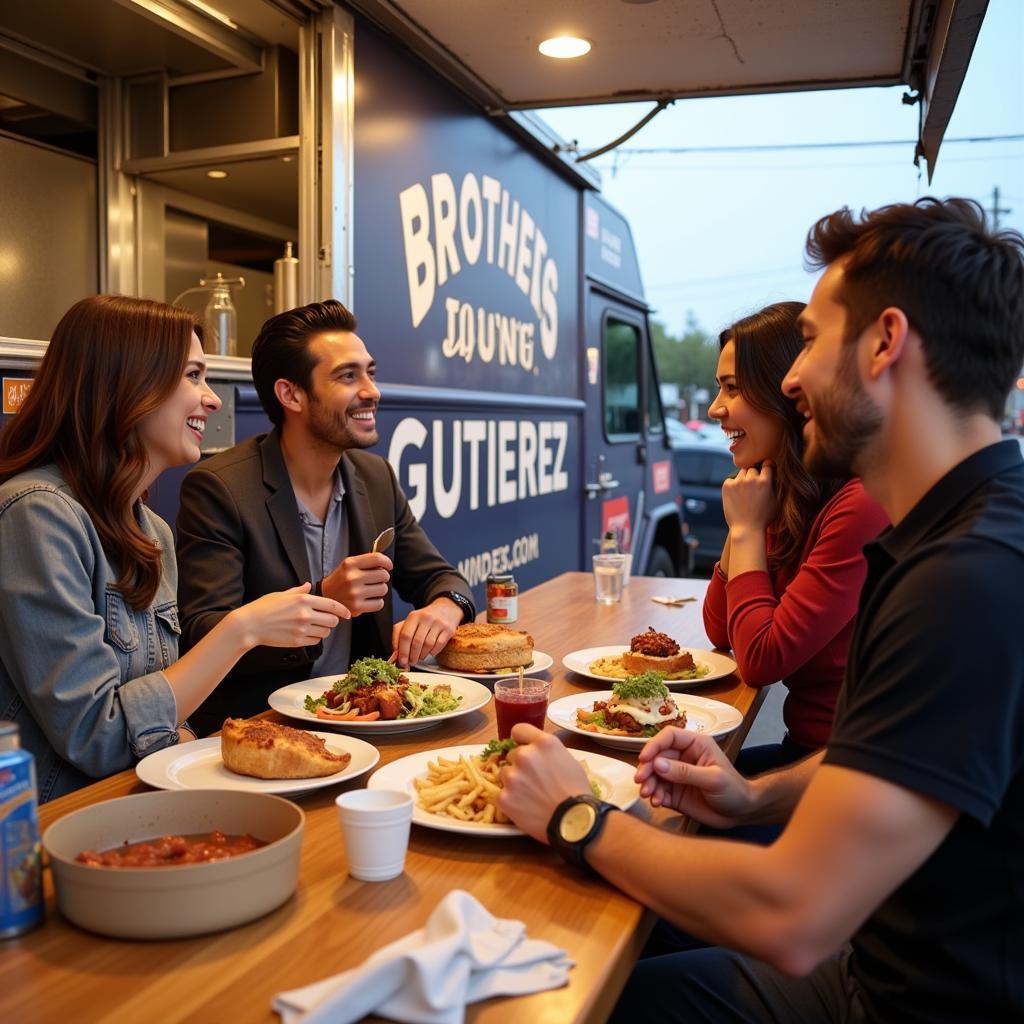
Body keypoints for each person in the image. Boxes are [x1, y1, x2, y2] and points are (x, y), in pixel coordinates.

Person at [497, 197, 1024, 1023]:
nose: (789, 377)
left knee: (571, 983)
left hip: (889, 993)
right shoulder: (954, 532)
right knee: (585, 932)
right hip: (870, 950)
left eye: (811, 339)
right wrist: (755, 796)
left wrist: (577, 816)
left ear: (886, 342)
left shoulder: (970, 578)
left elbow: (794, 917)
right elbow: (898, 759)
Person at [0, 296, 350, 802]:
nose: (211, 399)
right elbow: (96, 737)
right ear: (126, 385)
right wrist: (243, 629)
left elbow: (162, 714)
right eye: (192, 376)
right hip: (63, 824)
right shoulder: (35, 513)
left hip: (143, 803)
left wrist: (187, 744)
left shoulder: (152, 530)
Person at [176, 300, 474, 735]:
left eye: (370, 372)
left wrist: (448, 608)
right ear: (291, 394)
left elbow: (441, 577)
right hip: (263, 726)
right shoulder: (219, 488)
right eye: (347, 376)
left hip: (365, 721)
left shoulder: (374, 477)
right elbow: (203, 632)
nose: (372, 390)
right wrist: (325, 597)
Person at [704, 302, 888, 773]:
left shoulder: (861, 502)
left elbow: (762, 660)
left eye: (731, 388)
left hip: (851, 777)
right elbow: (721, 630)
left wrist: (744, 529)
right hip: (807, 756)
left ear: (785, 395)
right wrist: (743, 524)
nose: (714, 409)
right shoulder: (783, 494)